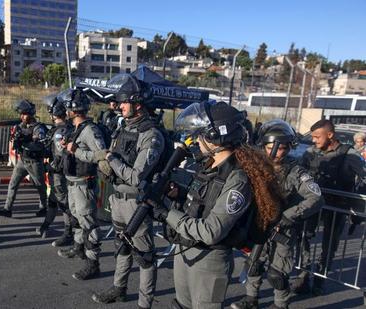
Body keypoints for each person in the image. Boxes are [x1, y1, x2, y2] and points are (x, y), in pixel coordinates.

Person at [152, 101, 283, 309]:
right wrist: (179, 194)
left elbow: (212, 231)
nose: (195, 140)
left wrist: (167, 214)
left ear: (215, 138)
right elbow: (206, 200)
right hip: (186, 249)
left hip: (209, 259)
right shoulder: (210, 166)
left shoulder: (237, 179)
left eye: (199, 134)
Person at [231, 119, 323, 309]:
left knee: (278, 273)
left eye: (281, 148)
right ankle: (251, 298)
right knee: (253, 264)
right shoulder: (256, 168)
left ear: (288, 147)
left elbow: (315, 198)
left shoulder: (296, 172)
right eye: (272, 147)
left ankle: (281, 304)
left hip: (283, 229)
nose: (276, 152)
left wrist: (289, 215)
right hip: (259, 224)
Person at [91, 74, 165, 309]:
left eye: (124, 102)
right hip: (118, 199)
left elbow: (136, 176)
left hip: (137, 203)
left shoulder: (152, 136)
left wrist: (110, 158)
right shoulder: (124, 129)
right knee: (121, 246)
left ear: (138, 104)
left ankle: (145, 303)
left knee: (144, 257)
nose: (119, 106)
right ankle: (119, 289)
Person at [292, 119, 366, 295]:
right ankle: (302, 277)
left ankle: (319, 279)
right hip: (313, 205)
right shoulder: (310, 152)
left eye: (318, 136)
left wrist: (359, 203)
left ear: (330, 135)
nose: (314, 140)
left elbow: (364, 176)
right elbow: (298, 173)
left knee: (329, 245)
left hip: (337, 206)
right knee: (304, 239)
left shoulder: (350, 154)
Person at [57, 89, 106, 281]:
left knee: (89, 224)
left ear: (73, 109)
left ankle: (93, 264)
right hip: (73, 182)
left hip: (84, 184)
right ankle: (78, 248)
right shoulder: (77, 129)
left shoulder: (89, 130)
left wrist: (76, 151)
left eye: (67, 107)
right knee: (77, 218)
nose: (65, 110)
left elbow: (102, 155)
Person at [0, 99, 48, 218]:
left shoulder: (38, 128)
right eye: (22, 114)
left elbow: (41, 144)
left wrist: (28, 142)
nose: (23, 116)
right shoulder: (19, 126)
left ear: (31, 114)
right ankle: (7, 209)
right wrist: (17, 141)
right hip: (22, 160)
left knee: (40, 186)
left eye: (25, 114)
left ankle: (44, 208)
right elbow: (16, 140)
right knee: (13, 184)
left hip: (34, 162)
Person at [35, 94, 75, 247]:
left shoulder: (60, 132)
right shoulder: (61, 129)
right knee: (53, 200)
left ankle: (69, 232)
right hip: (57, 173)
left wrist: (49, 164)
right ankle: (46, 224)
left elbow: (59, 156)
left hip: (59, 174)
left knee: (64, 203)